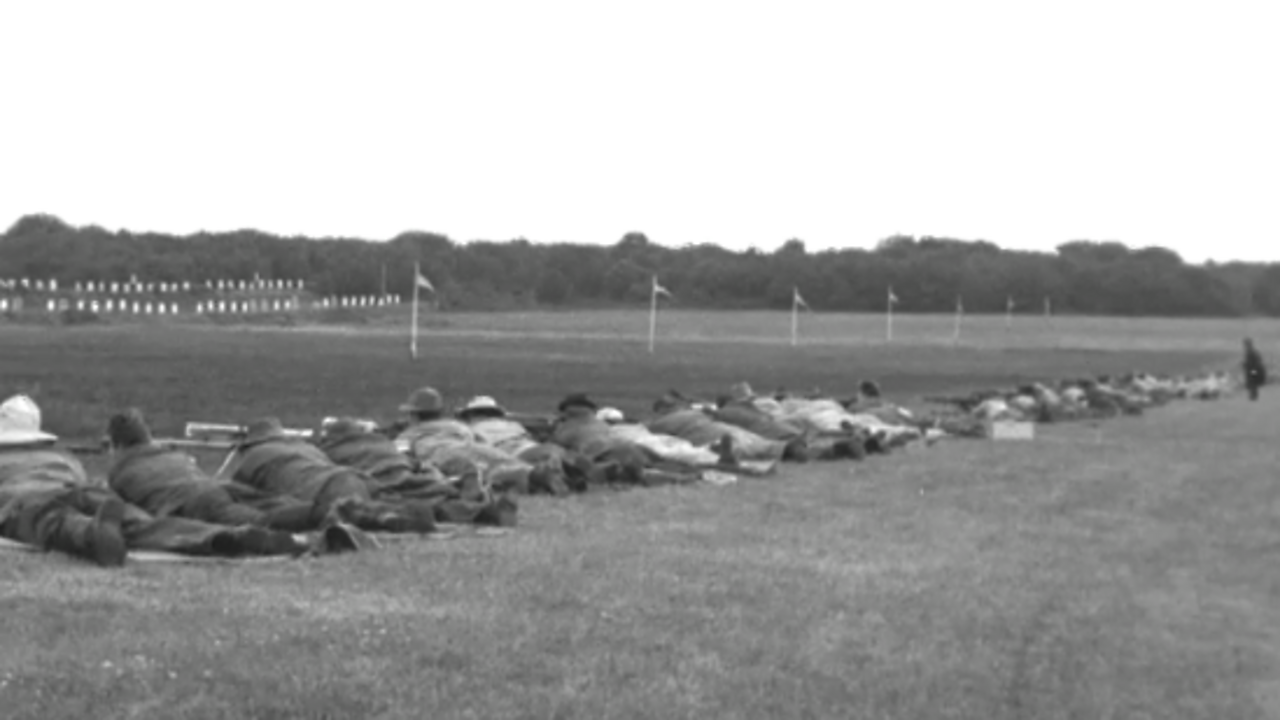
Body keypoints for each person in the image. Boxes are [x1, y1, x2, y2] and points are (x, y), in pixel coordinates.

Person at [0, 395, 309, 566]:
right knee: (145, 525)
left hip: (27, 500)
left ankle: (92, 534)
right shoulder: (61, 456)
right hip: (80, 488)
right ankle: (222, 536)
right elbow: (79, 477)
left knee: (55, 521)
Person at [105, 408, 314, 547]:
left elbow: (126, 512)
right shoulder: (172, 454)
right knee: (273, 504)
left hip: (190, 501)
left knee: (258, 522)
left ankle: (307, 520)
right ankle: (314, 510)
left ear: (117, 445)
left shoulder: (120, 472)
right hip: (214, 487)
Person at [224, 417, 458, 532]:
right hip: (352, 477)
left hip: (324, 489)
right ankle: (425, 512)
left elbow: (242, 496)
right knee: (382, 502)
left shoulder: (252, 458)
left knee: (351, 515)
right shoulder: (307, 448)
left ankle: (398, 517)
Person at [318, 416, 519, 523]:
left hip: (380, 480)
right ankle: (475, 501)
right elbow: (414, 462)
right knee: (437, 491)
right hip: (405, 470)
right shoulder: (381, 441)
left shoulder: (331, 450)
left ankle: (473, 510)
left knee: (412, 504)